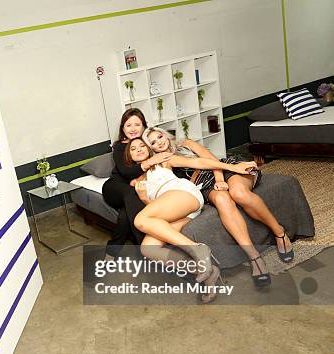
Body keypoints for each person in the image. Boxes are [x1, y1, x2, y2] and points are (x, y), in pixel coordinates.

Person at [143, 126, 294, 288]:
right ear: (150, 148)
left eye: (159, 136)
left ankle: (279, 232)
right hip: (205, 186)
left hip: (222, 169)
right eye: (153, 142)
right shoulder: (162, 163)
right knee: (222, 200)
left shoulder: (185, 144)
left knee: (238, 194)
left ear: (165, 134)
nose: (159, 142)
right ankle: (254, 257)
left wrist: (220, 179)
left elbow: (210, 158)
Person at [125, 137, 257, 303]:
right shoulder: (136, 181)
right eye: (133, 148)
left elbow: (200, 163)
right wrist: (144, 199)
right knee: (148, 249)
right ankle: (206, 272)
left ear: (149, 149)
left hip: (183, 193)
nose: (138, 149)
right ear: (129, 158)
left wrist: (231, 167)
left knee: (140, 219)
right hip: (178, 209)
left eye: (142, 145)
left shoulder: (164, 160)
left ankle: (199, 250)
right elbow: (159, 212)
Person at [101, 108, 171, 258]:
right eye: (128, 125)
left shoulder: (150, 142)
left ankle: (112, 251)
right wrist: (151, 161)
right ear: (122, 128)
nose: (132, 129)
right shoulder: (120, 146)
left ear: (144, 126)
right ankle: (145, 250)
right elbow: (126, 172)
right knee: (132, 192)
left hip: (135, 187)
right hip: (115, 187)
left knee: (125, 215)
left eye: (137, 124)